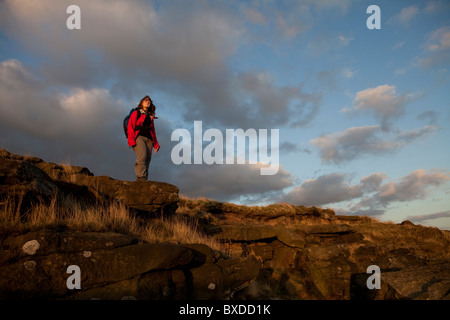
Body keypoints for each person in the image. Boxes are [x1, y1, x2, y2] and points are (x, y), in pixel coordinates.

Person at [127, 95, 160, 181]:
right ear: (141, 103)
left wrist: (156, 144)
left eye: (149, 101)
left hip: (149, 140)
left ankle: (144, 179)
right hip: (138, 137)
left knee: (147, 160)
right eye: (146, 100)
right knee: (142, 155)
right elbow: (130, 127)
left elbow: (153, 131)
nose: (148, 101)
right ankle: (140, 177)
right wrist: (131, 140)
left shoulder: (150, 116)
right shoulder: (136, 113)